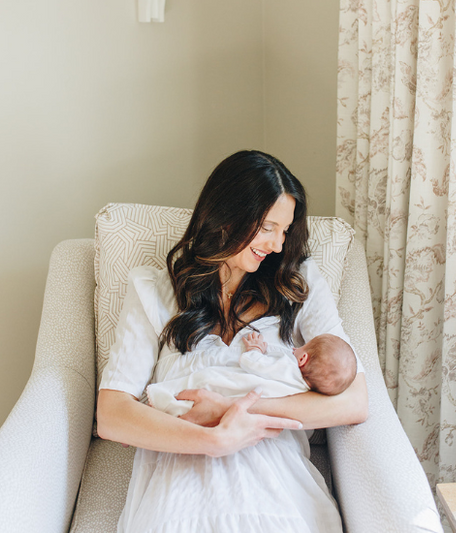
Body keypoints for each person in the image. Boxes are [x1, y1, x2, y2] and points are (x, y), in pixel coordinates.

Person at [97, 150, 368, 533]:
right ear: (226, 218)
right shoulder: (154, 291)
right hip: (183, 464)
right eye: (267, 228)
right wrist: (211, 440)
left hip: (274, 470)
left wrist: (232, 410)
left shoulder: (297, 282)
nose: (277, 245)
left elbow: (355, 400)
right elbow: (111, 414)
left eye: (285, 230)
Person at [145, 329, 357, 418]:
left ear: (302, 359)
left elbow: (251, 363)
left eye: (303, 348)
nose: (295, 349)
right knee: (191, 401)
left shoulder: (288, 365)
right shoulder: (302, 391)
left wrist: (256, 350)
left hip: (234, 386)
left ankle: (154, 400)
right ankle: (161, 410)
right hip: (243, 404)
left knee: (199, 381)